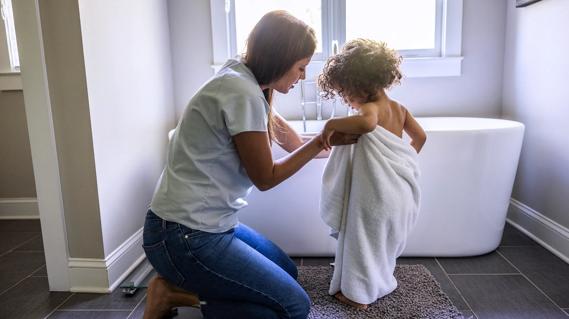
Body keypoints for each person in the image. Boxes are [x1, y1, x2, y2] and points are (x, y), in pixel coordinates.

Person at [142, 11, 359, 319]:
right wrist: (321, 141)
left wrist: (338, 140)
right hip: (182, 237)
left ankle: (183, 291)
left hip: (208, 226)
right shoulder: (241, 94)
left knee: (287, 272)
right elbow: (266, 178)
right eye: (300, 68)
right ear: (281, 58)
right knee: (293, 307)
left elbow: (296, 144)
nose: (302, 77)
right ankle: (174, 295)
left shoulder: (245, 77)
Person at [317, 38, 427, 309]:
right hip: (398, 190)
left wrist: (331, 123)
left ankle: (357, 295)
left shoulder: (370, 110)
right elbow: (420, 138)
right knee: (380, 246)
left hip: (375, 194)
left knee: (362, 243)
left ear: (359, 84)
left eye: (345, 93)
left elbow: (366, 124)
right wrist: (401, 162)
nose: (346, 100)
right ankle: (379, 281)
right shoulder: (400, 109)